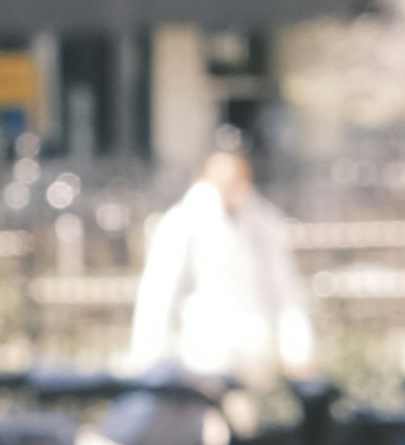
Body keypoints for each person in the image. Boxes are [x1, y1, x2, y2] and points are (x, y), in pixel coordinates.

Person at [128, 116, 317, 399]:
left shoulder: (263, 222)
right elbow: (159, 296)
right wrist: (150, 359)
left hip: (253, 356)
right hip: (202, 358)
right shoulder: (183, 222)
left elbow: (285, 292)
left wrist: (297, 348)